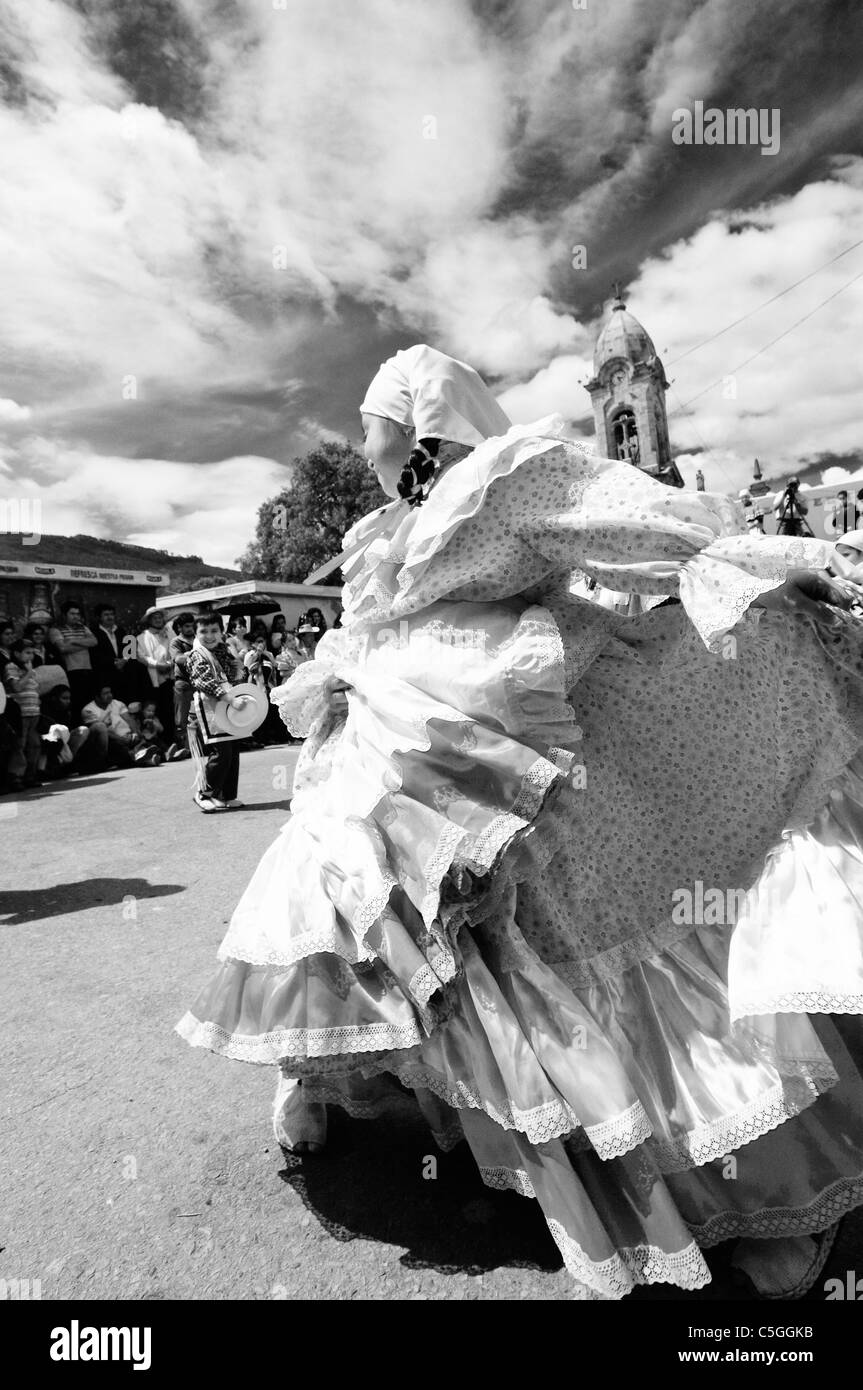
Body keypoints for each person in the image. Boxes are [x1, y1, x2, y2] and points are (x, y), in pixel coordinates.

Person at [178, 343, 863, 1301]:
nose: (357, 430)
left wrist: (789, 564)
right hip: (406, 758)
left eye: (372, 410)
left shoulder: (504, 478)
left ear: (418, 417)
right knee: (359, 907)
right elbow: (369, 629)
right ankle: (331, 1079)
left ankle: (767, 1181)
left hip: (526, 751)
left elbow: (647, 526)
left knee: (574, 939)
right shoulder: (385, 528)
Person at [186, 611, 247, 812]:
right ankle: (204, 793)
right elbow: (205, 682)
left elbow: (232, 679)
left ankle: (225, 795)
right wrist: (230, 698)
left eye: (214, 630)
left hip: (227, 709)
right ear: (195, 633)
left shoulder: (224, 651)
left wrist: (239, 669)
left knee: (232, 752)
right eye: (204, 631)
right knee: (220, 752)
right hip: (209, 710)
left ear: (222, 632)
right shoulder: (197, 654)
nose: (209, 635)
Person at [39, 684, 106, 776]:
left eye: (69, 699)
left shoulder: (67, 712)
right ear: (54, 698)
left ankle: (68, 766)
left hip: (65, 745)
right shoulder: (45, 712)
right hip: (50, 744)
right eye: (64, 698)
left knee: (83, 730)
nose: (68, 701)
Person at [3, 637, 42, 787]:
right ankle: (16, 777)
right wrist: (29, 673)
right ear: (17, 653)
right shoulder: (11, 667)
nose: (30, 656)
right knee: (20, 745)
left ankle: (30, 776)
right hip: (21, 713)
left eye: (32, 653)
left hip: (33, 713)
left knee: (35, 745)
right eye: (27, 653)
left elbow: (34, 689)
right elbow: (17, 687)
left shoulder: (29, 669)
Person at [49, 601, 98, 718]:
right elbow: (63, 648)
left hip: (87, 670)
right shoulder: (56, 630)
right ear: (64, 615)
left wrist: (73, 641)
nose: (76, 616)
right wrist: (84, 644)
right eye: (72, 613)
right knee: (75, 704)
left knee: (88, 704)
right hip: (71, 672)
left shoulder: (83, 627)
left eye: (78, 614)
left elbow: (94, 642)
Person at [136, 608, 175, 740]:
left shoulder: (170, 633)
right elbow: (141, 657)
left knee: (171, 710)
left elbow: (176, 648)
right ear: (149, 620)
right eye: (154, 617)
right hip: (154, 680)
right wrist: (158, 665)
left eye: (160, 617)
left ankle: (172, 740)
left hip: (170, 676)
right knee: (157, 711)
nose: (158, 620)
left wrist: (170, 664)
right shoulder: (141, 637)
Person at [81, 684, 135, 767]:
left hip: (128, 737)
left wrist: (137, 734)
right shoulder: (88, 710)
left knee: (154, 744)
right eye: (105, 693)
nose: (110, 695)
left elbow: (129, 720)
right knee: (122, 753)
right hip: (112, 740)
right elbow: (101, 732)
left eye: (110, 692)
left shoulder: (117, 703)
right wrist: (122, 739)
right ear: (97, 697)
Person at [169, 612, 196, 759]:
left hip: (199, 682)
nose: (190, 629)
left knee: (198, 716)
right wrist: (195, 655)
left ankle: (196, 747)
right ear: (179, 627)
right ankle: (182, 748)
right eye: (186, 626)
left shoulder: (199, 639)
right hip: (183, 683)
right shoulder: (176, 642)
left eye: (192, 625)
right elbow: (178, 658)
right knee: (181, 719)